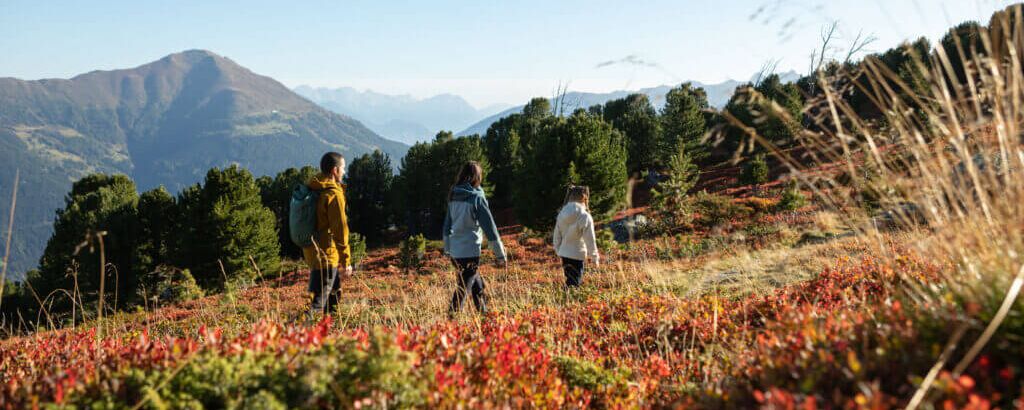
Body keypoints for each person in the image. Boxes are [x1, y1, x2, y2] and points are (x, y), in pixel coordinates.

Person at [442, 161, 506, 316]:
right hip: (470, 250)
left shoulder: (453, 196)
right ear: (477, 177)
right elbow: (490, 228)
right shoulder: (477, 197)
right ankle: (452, 318)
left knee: (475, 282)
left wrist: (447, 250)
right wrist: (500, 254)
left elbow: (446, 226)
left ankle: (484, 315)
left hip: (455, 252)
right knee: (463, 287)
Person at [303, 152, 352, 317]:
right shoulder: (333, 194)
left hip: (312, 253)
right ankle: (296, 335)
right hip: (327, 256)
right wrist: (346, 261)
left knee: (332, 298)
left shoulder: (313, 188)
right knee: (319, 304)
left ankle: (327, 336)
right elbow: (341, 231)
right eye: (343, 168)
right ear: (334, 170)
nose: (344, 172)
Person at [552, 185, 599, 288]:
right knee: (575, 283)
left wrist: (558, 250)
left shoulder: (561, 214)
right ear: (584, 198)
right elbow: (590, 239)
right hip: (578, 254)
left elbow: (556, 236)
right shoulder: (585, 216)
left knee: (570, 280)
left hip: (564, 254)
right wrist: (594, 257)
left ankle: (567, 299)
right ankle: (570, 301)